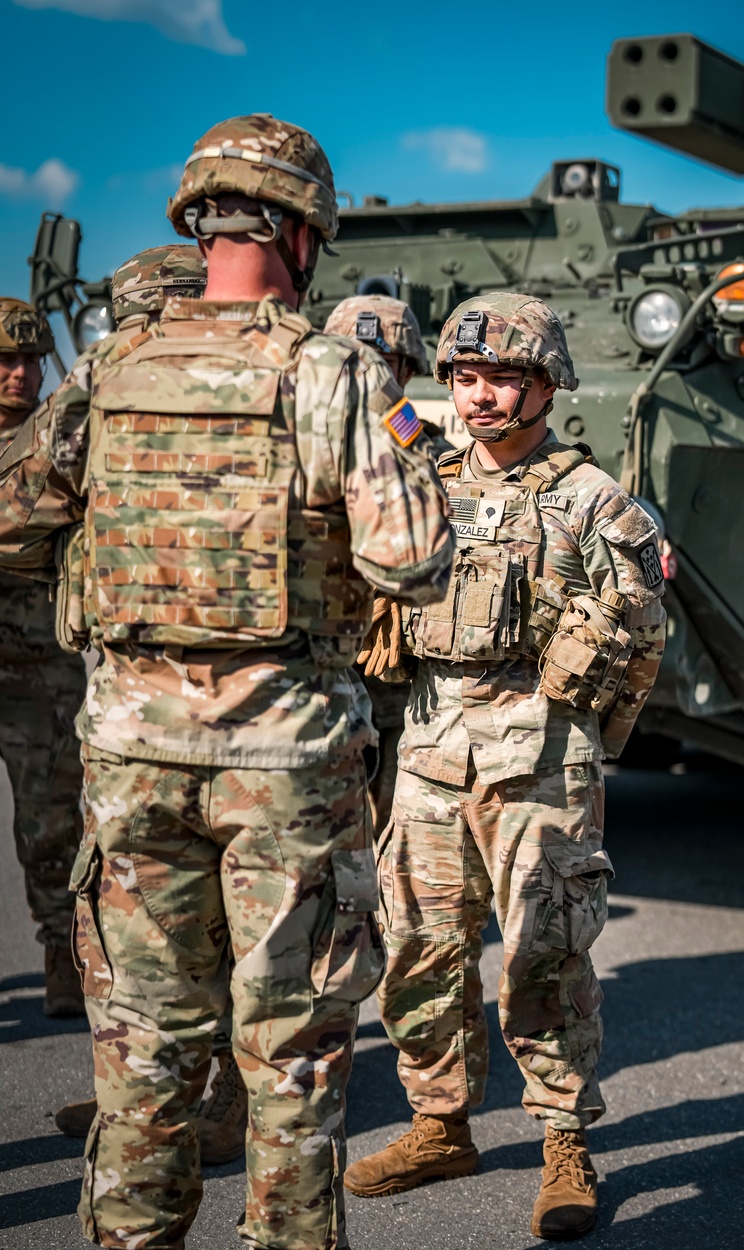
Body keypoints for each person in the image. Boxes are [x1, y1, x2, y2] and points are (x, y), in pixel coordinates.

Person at [0, 112, 454, 1250]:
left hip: (130, 759)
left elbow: (13, 523)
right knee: (289, 1049)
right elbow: (413, 557)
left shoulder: (107, 368)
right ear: (302, 233)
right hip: (285, 769)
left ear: (199, 220)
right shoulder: (333, 373)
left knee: (144, 1049)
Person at [345, 292, 667, 1240]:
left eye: (501, 379)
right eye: (465, 377)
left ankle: (565, 1138)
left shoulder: (590, 499)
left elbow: (642, 631)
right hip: (433, 748)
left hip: (538, 757)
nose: (480, 396)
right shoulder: (426, 479)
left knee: (545, 955)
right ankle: (439, 1123)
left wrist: (576, 718)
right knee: (420, 950)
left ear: (544, 387)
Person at [52, 243, 249, 1167]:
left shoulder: (128, 396)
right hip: (153, 721)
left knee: (204, 932)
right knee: (145, 931)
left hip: (216, 728)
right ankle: (144, 1099)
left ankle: (215, 1100)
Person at [324, 294, 443, 835]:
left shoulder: (433, 457)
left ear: (407, 371)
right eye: (351, 356)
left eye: (380, 359)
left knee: (399, 836)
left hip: (407, 684)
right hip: (321, 673)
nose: (365, 371)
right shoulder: (298, 445)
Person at [0, 297, 87, 1018]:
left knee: (51, 823)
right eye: (5, 361)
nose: (20, 374)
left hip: (39, 667)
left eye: (30, 359)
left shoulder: (58, 437)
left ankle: (60, 951)